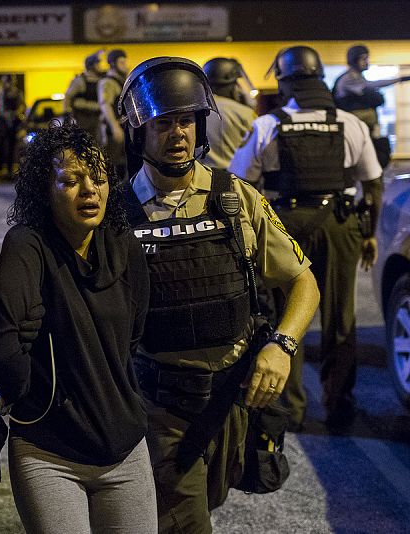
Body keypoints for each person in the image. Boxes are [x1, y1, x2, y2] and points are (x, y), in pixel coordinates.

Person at [119, 57, 320, 533]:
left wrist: (282, 345)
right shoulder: (116, 212)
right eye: (163, 123)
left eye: (186, 121)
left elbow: (302, 281)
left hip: (234, 400)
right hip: (163, 407)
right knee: (184, 522)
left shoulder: (236, 198)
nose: (178, 134)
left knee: (207, 503)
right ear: (139, 132)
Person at [0, 120, 157, 533]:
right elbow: (6, 344)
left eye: (98, 178)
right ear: (44, 191)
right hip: (50, 452)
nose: (90, 191)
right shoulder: (28, 244)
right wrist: (36, 400)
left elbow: (134, 330)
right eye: (71, 181)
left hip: (124, 446)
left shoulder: (122, 241)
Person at [230, 46, 383, 434]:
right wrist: (369, 233)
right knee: (340, 318)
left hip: (285, 225)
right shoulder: (349, 122)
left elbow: (241, 180)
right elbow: (373, 183)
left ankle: (291, 409)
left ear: (285, 81)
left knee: (287, 316)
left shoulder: (269, 124)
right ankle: (339, 408)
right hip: (339, 224)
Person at [332, 44, 410, 168]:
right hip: (354, 127)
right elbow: (371, 88)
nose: (366, 62)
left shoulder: (356, 77)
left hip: (362, 128)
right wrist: (399, 79)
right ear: (354, 60)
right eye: (363, 59)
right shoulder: (348, 78)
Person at [201, 57, 258, 171]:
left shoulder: (194, 111)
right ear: (232, 85)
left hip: (202, 178)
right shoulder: (244, 113)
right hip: (235, 178)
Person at [98, 49, 128, 179]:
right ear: (113, 64)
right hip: (113, 130)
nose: (125, 65)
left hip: (122, 127)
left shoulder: (120, 80)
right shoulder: (108, 82)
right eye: (121, 62)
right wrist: (114, 127)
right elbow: (105, 105)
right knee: (112, 166)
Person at [63, 50, 104, 140]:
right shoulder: (80, 81)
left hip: (97, 119)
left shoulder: (101, 80)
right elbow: (68, 97)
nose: (100, 67)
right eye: (97, 64)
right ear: (91, 65)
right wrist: (67, 114)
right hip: (83, 119)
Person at [0, 74, 25, 178]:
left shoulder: (16, 93)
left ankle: (9, 168)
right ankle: (0, 168)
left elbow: (22, 105)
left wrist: (16, 113)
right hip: (2, 121)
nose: (7, 84)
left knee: (11, 145)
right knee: (1, 145)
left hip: (13, 120)